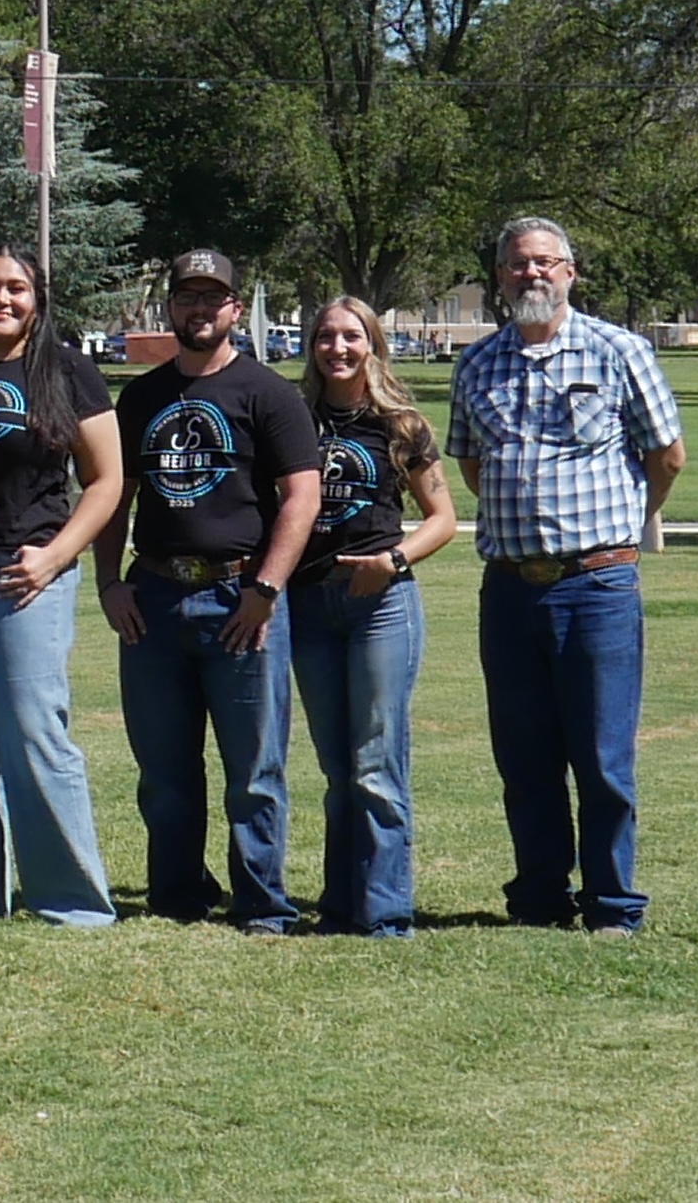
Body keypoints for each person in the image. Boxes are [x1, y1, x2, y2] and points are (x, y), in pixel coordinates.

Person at [447, 216, 685, 936]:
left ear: (572, 272)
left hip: (598, 586)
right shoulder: (478, 364)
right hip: (511, 586)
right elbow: (471, 463)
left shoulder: (619, 351)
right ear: (499, 277)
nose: (533, 276)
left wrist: (623, 527)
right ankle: (540, 900)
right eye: (518, 265)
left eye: (546, 263)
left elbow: (666, 455)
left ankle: (613, 905)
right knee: (525, 758)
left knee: (603, 757)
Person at [95, 249, 321, 934]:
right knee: (163, 771)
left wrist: (266, 586)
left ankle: (262, 904)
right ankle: (177, 895)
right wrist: (108, 582)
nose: (200, 309)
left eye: (212, 298)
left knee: (254, 770)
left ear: (234, 307)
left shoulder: (268, 393)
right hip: (155, 599)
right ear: (172, 307)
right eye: (187, 296)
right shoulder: (141, 396)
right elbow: (114, 496)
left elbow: (301, 498)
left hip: (239, 601)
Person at [0, 246, 121, 927]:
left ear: (37, 299)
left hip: (25, 573)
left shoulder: (68, 371)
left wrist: (57, 556)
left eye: (15, 289)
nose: (0, 300)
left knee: (35, 733)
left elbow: (108, 481)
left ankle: (71, 901)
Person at [293, 295, 458, 938]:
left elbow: (442, 520)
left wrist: (390, 559)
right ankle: (341, 907)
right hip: (311, 602)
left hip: (381, 605)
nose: (338, 348)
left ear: (373, 345)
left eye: (351, 336)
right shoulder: (292, 419)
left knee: (376, 762)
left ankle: (386, 912)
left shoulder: (402, 426)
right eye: (326, 336)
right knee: (337, 768)